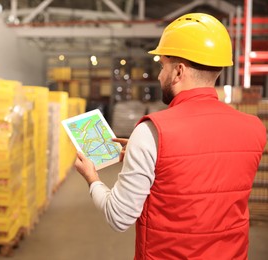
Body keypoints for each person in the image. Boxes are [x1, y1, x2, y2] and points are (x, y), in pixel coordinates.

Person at [74, 13, 266, 259]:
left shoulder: (153, 131)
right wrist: (152, 155)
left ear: (178, 71)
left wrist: (92, 179)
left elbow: (119, 217)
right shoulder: (253, 127)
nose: (158, 75)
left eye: (162, 66)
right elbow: (208, 170)